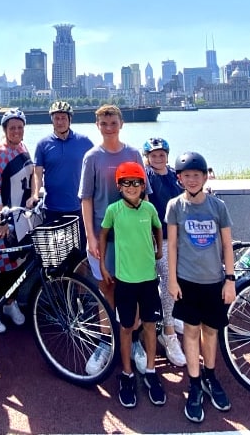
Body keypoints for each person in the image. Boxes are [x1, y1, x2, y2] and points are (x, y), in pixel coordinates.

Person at [78, 104, 148, 376]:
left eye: (113, 123)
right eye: (104, 124)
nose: (109, 128)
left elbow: (146, 195)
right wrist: (91, 237)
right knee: (106, 289)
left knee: (136, 290)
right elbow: (86, 199)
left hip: (133, 237)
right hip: (104, 236)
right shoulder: (92, 157)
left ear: (121, 124)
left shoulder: (132, 154)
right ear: (97, 126)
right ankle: (106, 341)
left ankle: (134, 342)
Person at [166, 151, 235, 424]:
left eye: (197, 175)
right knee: (191, 332)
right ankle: (194, 383)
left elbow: (227, 245)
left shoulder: (218, 207)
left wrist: (230, 279)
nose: (192, 180)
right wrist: (171, 280)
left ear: (206, 177)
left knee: (211, 331)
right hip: (186, 281)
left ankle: (210, 375)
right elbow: (171, 245)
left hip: (214, 282)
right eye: (187, 176)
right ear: (179, 178)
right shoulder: (174, 206)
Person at [98, 161, 166, 409]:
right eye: (126, 182)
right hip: (124, 281)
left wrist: (159, 251)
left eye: (136, 182)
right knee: (126, 328)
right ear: (119, 186)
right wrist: (104, 266)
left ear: (142, 185)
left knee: (149, 326)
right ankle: (126, 374)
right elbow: (103, 235)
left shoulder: (148, 209)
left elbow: (159, 228)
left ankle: (150, 370)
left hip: (148, 279)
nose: (132, 187)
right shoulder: (114, 210)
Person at [0, 108, 33, 334]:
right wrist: (0, 220)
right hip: (4, 221)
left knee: (18, 264)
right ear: (5, 130)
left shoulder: (23, 147)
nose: (16, 131)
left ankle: (10, 303)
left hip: (22, 218)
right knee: (2, 267)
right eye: (12, 128)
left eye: (20, 127)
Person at [141, 137, 186, 367]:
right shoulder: (145, 178)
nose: (158, 158)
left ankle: (171, 316)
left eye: (161, 154)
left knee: (177, 282)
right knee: (169, 280)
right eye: (153, 155)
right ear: (147, 157)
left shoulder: (173, 175)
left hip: (177, 236)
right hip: (157, 239)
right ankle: (168, 333)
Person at [31, 101, 93, 246]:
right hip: (52, 208)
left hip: (78, 207)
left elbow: (96, 165)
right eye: (56, 118)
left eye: (63, 118)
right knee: (55, 254)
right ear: (52, 120)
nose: (60, 122)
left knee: (80, 255)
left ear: (70, 119)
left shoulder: (84, 141)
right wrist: (34, 194)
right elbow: (37, 174)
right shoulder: (43, 144)